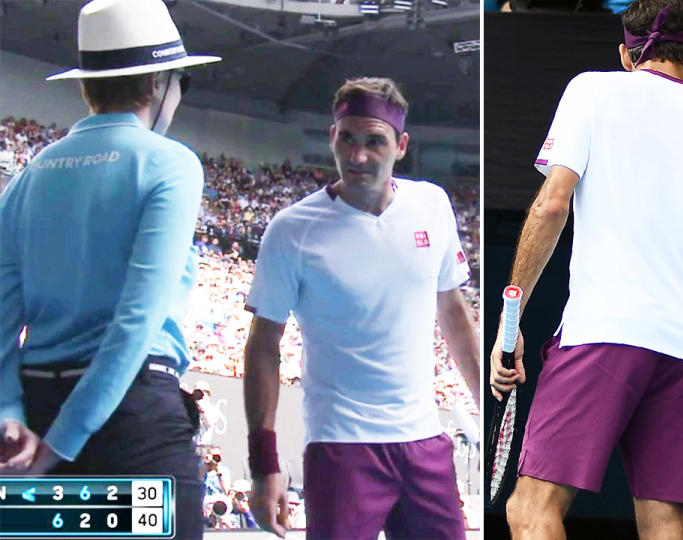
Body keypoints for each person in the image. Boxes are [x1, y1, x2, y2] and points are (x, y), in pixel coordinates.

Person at [488, 1, 683, 537]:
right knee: (662, 518)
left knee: (530, 509)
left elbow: (552, 205)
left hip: (601, 336)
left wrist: (514, 319)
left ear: (626, 54)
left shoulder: (592, 90)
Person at [0, 0, 219, 537]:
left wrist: (10, 416)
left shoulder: (30, 174)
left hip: (36, 410)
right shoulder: (171, 164)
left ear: (86, 87)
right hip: (130, 419)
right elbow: (136, 321)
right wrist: (59, 448)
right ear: (156, 85)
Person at [243, 77, 482, 539]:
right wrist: (263, 462)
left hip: (423, 441)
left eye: (375, 141)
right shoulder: (291, 231)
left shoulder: (432, 205)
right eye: (347, 138)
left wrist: (486, 410)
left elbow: (453, 311)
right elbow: (262, 346)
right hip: (341, 447)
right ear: (332, 137)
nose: (357, 156)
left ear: (401, 145)